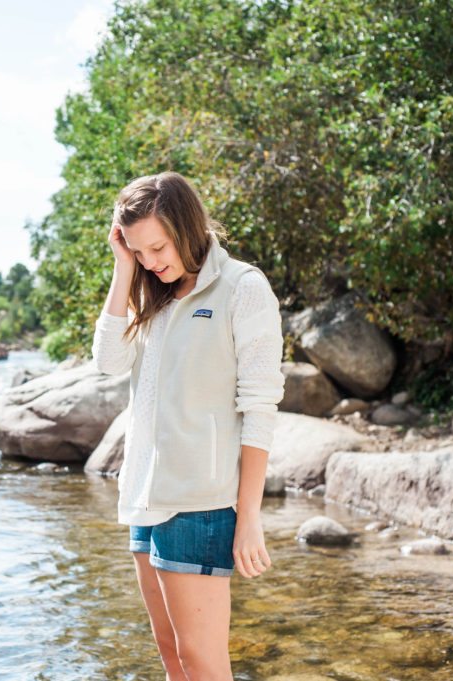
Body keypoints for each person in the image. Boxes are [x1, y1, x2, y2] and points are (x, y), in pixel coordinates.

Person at [91, 171, 285, 681]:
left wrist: (249, 516)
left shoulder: (243, 287)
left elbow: (261, 406)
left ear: (186, 224)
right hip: (144, 497)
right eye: (139, 252)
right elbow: (109, 360)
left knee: (202, 660)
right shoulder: (152, 293)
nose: (151, 261)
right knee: (171, 653)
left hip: (201, 504)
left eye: (157, 247)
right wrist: (123, 269)